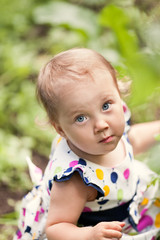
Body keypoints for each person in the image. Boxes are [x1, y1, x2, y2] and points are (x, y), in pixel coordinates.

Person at [14, 48, 160, 240]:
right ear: (61, 130)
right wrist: (90, 234)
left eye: (106, 105)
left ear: (118, 92)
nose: (101, 124)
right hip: (91, 229)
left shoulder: (109, 127)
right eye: (81, 118)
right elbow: (56, 227)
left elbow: (133, 139)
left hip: (127, 201)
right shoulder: (76, 178)